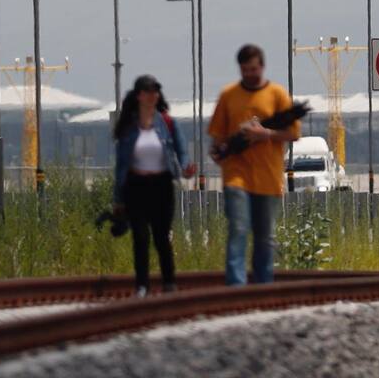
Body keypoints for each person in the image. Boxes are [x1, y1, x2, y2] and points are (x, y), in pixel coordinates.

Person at [208, 44, 300, 286]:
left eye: (254, 69)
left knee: (265, 237)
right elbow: (217, 135)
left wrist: (265, 134)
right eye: (245, 70)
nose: (250, 74)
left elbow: (293, 133)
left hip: (268, 177)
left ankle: (263, 286)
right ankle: (236, 286)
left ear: (262, 67)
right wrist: (217, 151)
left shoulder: (277, 95)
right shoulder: (229, 96)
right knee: (238, 228)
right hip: (236, 175)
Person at [112, 75, 196, 296]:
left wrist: (186, 167)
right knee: (140, 237)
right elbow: (121, 166)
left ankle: (169, 283)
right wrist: (118, 199)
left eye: (155, 91)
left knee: (161, 236)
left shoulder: (167, 123)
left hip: (161, 186)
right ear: (139, 96)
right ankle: (142, 286)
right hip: (135, 187)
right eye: (148, 91)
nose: (152, 96)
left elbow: (182, 152)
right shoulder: (128, 127)